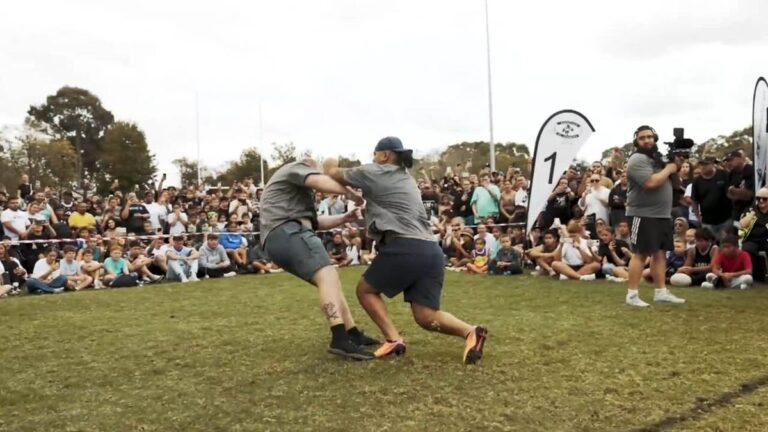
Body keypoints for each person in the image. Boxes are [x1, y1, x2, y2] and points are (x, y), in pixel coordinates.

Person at [324, 136, 488, 365]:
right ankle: (471, 332)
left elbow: (332, 172)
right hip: (431, 250)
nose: (372, 158)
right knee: (425, 315)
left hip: (405, 245)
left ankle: (392, 339)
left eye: (375, 154)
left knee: (365, 290)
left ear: (385, 155)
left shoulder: (375, 172)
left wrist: (329, 161)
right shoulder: (406, 179)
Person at [259, 158, 379, 360]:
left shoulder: (291, 194)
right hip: (289, 232)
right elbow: (318, 181)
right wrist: (352, 193)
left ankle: (352, 334)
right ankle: (339, 338)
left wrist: (343, 218)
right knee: (328, 277)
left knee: (331, 281)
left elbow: (314, 222)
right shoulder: (296, 168)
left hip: (281, 237)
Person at [624, 125, 686, 307]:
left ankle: (661, 292)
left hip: (662, 214)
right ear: (637, 141)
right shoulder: (637, 159)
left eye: (650, 137)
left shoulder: (658, 159)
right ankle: (632, 295)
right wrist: (669, 168)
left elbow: (675, 182)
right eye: (642, 138)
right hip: (641, 213)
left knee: (660, 253)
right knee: (640, 253)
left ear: (655, 138)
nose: (647, 140)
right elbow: (650, 182)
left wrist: (677, 166)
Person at [691, 157, 732, 239]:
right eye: (701, 164)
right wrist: (698, 216)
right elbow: (694, 200)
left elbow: (732, 192)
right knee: (710, 245)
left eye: (706, 164)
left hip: (726, 219)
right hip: (707, 221)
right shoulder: (697, 181)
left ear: (713, 164)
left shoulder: (723, 174)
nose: (703, 167)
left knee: (725, 244)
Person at [739, 187, 768, 282]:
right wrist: (752, 214)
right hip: (752, 239)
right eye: (758, 198)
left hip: (766, 239)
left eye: (764, 198)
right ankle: (758, 275)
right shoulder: (750, 210)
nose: (761, 200)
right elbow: (741, 225)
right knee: (747, 249)